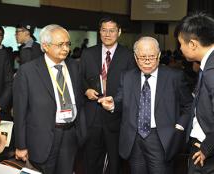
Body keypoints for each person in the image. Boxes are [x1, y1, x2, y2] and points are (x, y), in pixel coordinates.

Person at [98, 36, 193, 174]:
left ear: (159, 56)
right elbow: (120, 101)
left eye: (152, 57)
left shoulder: (174, 76)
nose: (147, 61)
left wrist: (179, 127)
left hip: (161, 138)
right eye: (142, 57)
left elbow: (188, 105)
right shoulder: (128, 76)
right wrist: (112, 105)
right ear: (135, 57)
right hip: (133, 138)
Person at [13, 24, 83, 174]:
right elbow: (20, 111)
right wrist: (20, 145)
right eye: (60, 45)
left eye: (67, 44)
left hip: (70, 134)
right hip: (42, 137)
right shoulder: (28, 71)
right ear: (45, 46)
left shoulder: (74, 67)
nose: (66, 49)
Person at [80, 16, 136, 174]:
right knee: (91, 161)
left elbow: (131, 87)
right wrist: (86, 90)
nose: (107, 34)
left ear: (119, 32)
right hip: (92, 116)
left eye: (112, 31)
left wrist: (115, 103)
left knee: (115, 163)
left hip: (116, 117)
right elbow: (80, 78)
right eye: (104, 30)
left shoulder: (128, 56)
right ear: (99, 32)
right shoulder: (88, 54)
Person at [175, 12, 214, 174]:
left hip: (206, 151)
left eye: (180, 44)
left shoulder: (212, 70)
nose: (180, 49)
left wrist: (208, 146)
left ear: (192, 44)